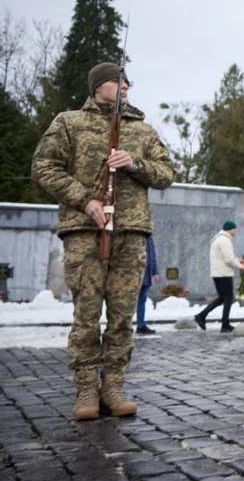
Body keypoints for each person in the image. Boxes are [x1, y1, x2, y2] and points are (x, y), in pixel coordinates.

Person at [31, 61, 175, 421]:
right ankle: (85, 388)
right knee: (87, 313)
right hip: (85, 232)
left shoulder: (142, 130)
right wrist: (85, 200)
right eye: (117, 80)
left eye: (127, 80)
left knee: (123, 316)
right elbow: (44, 167)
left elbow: (167, 173)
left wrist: (135, 164)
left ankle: (113, 384)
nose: (125, 85)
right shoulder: (69, 123)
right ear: (98, 86)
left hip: (131, 233)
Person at [195, 221, 244, 333]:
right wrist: (240, 266)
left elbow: (226, 258)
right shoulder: (224, 240)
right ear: (231, 229)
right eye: (235, 229)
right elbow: (228, 260)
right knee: (228, 298)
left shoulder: (219, 239)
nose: (236, 231)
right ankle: (225, 325)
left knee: (222, 298)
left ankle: (201, 316)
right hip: (224, 274)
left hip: (218, 273)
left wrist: (237, 261)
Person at [135, 236, 160, 335]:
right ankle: (123, 327)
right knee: (129, 301)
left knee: (142, 300)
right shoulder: (137, 235)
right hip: (135, 273)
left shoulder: (149, 237)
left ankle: (141, 325)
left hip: (146, 273)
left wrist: (155, 272)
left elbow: (152, 255)